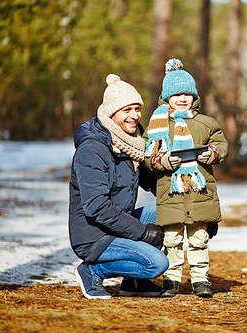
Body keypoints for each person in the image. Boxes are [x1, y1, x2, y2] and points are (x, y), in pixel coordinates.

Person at [69, 74, 169, 300]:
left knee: (167, 212)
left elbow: (152, 183)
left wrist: (194, 212)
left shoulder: (130, 144)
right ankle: (92, 271)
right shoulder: (92, 149)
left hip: (117, 223)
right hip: (94, 236)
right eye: (127, 110)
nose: (135, 116)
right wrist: (142, 233)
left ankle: (135, 282)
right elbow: (96, 207)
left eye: (137, 109)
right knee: (156, 263)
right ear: (111, 112)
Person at [143, 59, 228, 298]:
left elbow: (221, 145)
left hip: (200, 194)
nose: (182, 99)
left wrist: (211, 153)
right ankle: (171, 281)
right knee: (172, 240)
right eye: (176, 94)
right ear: (166, 98)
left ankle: (201, 280)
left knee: (199, 239)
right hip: (170, 194)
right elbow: (147, 155)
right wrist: (162, 161)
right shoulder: (157, 126)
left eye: (187, 94)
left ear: (194, 97)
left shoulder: (206, 123)